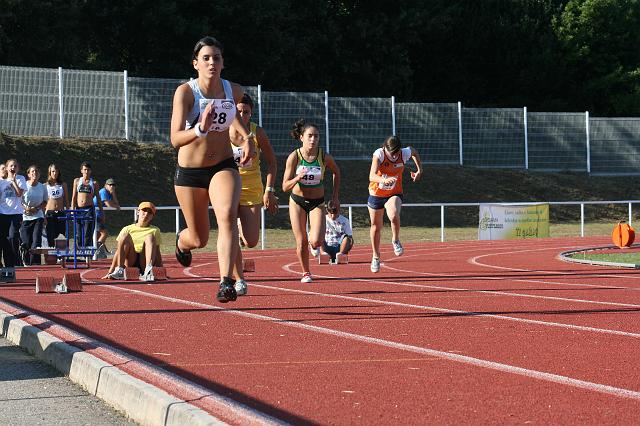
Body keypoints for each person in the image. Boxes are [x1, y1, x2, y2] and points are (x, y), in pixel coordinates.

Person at [170, 36, 255, 303]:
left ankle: (226, 281)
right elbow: (174, 138)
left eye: (216, 58)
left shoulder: (234, 90)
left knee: (228, 216)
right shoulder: (186, 92)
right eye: (206, 58)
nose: (211, 63)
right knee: (199, 238)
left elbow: (236, 120)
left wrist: (247, 139)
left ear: (222, 63)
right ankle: (181, 242)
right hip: (190, 172)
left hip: (223, 165)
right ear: (195, 63)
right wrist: (200, 128)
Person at [228, 93, 278, 296]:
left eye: (246, 112)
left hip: (252, 189)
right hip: (228, 188)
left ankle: (240, 230)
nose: (242, 115)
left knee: (251, 241)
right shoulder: (223, 131)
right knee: (229, 233)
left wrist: (269, 190)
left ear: (251, 113)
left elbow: (272, 163)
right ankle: (239, 279)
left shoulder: (258, 133)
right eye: (238, 111)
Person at [282, 119, 341, 283]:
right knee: (301, 242)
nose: (313, 139)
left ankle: (312, 239)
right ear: (302, 137)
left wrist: (335, 196)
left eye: (316, 136)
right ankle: (306, 272)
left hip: (317, 202)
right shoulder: (294, 157)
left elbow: (337, 172)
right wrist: (297, 178)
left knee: (316, 241)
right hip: (297, 201)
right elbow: (285, 186)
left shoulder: (324, 156)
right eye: (309, 136)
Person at [368, 135, 422, 273]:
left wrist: (419, 170)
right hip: (376, 193)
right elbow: (372, 176)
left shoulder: (404, 153)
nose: (394, 156)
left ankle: (395, 240)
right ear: (385, 149)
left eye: (396, 153)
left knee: (393, 214)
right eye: (391, 153)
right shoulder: (379, 154)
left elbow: (414, 151)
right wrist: (383, 180)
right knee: (376, 226)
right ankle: (375, 256)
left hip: (394, 192)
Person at [103, 202, 162, 282]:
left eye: (150, 212)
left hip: (144, 259)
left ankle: (148, 271)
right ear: (138, 212)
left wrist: (161, 271)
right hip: (130, 259)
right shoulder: (127, 228)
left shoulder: (155, 230)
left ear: (152, 216)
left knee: (150, 236)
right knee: (124, 236)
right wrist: (110, 271)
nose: (146, 214)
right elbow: (119, 251)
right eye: (144, 210)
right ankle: (119, 270)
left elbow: (157, 252)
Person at [70, 162, 103, 249]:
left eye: (88, 170)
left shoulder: (94, 183)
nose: (86, 171)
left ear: (90, 171)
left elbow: (98, 199)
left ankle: (87, 255)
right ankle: (80, 252)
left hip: (89, 210)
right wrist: (72, 211)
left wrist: (101, 212)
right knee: (79, 233)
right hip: (78, 209)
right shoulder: (77, 181)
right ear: (81, 171)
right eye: (84, 169)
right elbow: (73, 197)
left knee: (87, 233)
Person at [20, 165, 48, 266]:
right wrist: (26, 208)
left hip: (38, 216)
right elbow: (19, 200)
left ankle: (35, 263)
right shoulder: (24, 186)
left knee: (36, 241)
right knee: (26, 242)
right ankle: (26, 262)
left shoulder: (42, 187)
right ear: (28, 174)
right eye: (32, 171)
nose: (34, 173)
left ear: (39, 174)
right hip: (25, 216)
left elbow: (45, 201)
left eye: (36, 171)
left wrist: (36, 209)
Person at [4, 159, 27, 266]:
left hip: (15, 213)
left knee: (13, 236)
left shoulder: (20, 179)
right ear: (7, 168)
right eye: (11, 166)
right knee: (4, 239)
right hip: (3, 213)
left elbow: (19, 194)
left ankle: (15, 261)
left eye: (15, 166)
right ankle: (7, 264)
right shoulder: (2, 181)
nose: (13, 168)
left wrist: (13, 181)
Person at [93, 178, 120, 259]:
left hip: (98, 214)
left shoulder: (109, 193)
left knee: (98, 235)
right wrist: (117, 207)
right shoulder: (103, 191)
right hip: (94, 214)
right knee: (104, 233)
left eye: (113, 185)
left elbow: (116, 203)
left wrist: (113, 193)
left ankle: (98, 252)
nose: (112, 186)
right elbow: (108, 204)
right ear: (105, 185)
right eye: (110, 185)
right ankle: (97, 251)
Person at [44, 164, 69, 248]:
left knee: (61, 235)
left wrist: (68, 212)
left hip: (61, 213)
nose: (55, 173)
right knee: (51, 235)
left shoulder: (63, 184)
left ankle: (61, 257)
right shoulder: (45, 185)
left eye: (56, 171)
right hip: (50, 213)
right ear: (49, 173)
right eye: (53, 171)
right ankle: (52, 256)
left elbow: (66, 199)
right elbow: (43, 201)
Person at [322, 200, 353, 264]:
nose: (333, 216)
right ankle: (324, 254)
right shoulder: (322, 219)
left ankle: (340, 255)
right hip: (326, 245)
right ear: (327, 210)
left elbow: (350, 237)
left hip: (339, 246)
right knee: (319, 236)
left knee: (346, 238)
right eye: (331, 213)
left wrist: (347, 248)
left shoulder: (345, 220)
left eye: (335, 213)